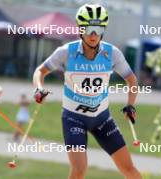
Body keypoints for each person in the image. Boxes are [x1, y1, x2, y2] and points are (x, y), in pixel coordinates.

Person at [33, 4, 141, 179]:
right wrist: (39, 88)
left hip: (102, 118)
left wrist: (130, 105)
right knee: (80, 169)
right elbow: (40, 71)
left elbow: (132, 80)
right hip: (74, 118)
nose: (93, 34)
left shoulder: (112, 53)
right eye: (88, 29)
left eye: (98, 29)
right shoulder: (66, 52)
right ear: (80, 29)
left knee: (129, 169)